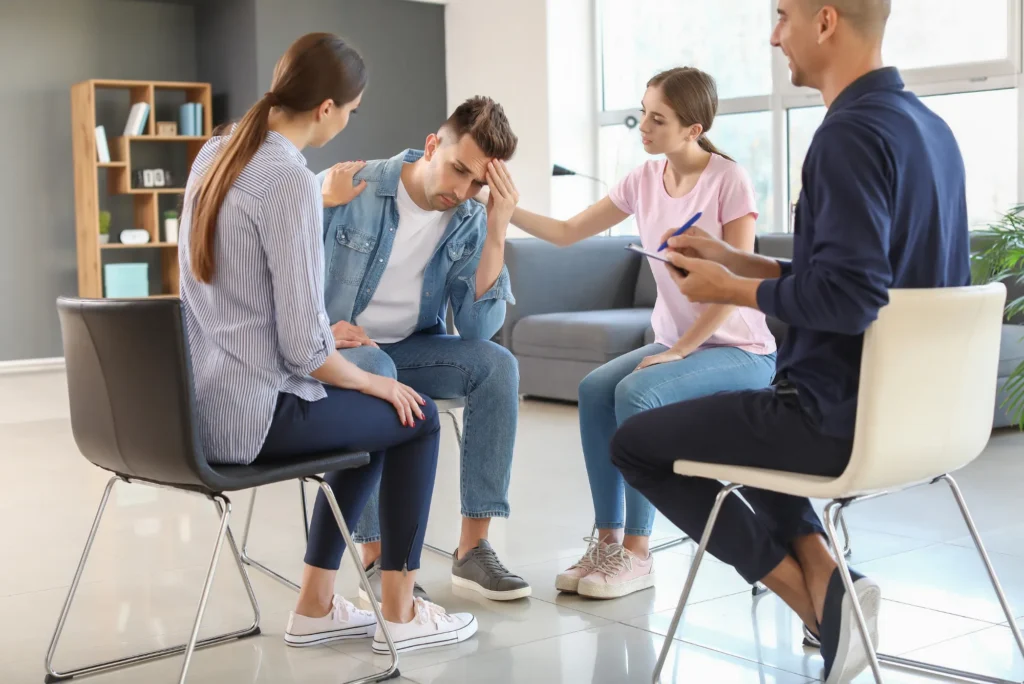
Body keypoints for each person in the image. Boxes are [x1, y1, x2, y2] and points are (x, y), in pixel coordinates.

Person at [610, 1, 970, 681]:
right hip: (926, 421)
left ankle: (815, 598)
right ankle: (833, 580)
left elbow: (851, 298)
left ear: (825, 21)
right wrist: (743, 264)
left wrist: (729, 292)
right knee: (749, 449)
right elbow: (878, 282)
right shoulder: (930, 128)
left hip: (835, 418)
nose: (775, 36)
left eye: (782, 17)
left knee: (634, 444)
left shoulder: (848, 134)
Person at [177, 32, 478, 655]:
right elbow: (305, 354)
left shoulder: (217, 150)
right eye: (352, 110)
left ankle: (317, 604)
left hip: (193, 409)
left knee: (370, 423)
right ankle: (399, 611)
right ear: (327, 109)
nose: (347, 121)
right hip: (251, 418)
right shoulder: (289, 178)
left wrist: (320, 329)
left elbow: (244, 298)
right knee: (411, 415)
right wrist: (376, 379)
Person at [504, 67, 777, 600]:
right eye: (644, 112)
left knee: (637, 391)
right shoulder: (643, 179)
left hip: (740, 348)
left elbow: (737, 278)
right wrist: (506, 207)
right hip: (676, 345)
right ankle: (606, 540)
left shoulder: (728, 179)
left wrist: (679, 349)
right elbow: (566, 233)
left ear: (693, 129)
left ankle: (638, 551)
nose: (644, 127)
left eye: (658, 118)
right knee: (593, 390)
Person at [317, 96, 531, 602]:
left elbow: (479, 331)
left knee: (497, 366)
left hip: (414, 351)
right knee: (374, 366)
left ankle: (472, 550)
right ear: (433, 144)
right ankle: (376, 557)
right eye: (458, 170)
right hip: (339, 354)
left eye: (479, 183)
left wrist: (497, 227)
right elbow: (282, 268)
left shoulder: (470, 218)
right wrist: (320, 331)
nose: (463, 191)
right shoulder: (353, 186)